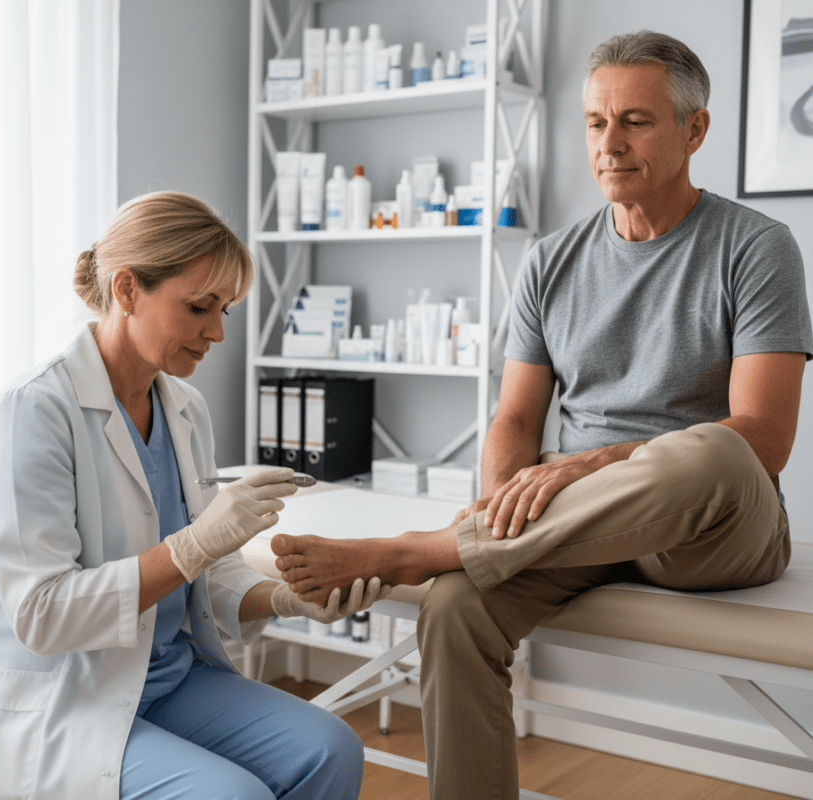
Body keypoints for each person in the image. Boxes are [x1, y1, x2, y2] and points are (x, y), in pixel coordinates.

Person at [269, 31, 813, 800]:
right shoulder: (550, 260)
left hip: (708, 523)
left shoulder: (756, 248)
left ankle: (415, 550)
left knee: (710, 453)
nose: (609, 144)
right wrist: (499, 504)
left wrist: (591, 463)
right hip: (580, 519)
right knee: (455, 608)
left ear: (694, 131)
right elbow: (516, 420)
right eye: (595, 122)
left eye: (635, 121)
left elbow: (763, 439)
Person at [0, 191, 390, 800]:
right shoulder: (33, 412)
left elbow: (209, 575)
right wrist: (192, 545)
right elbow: (42, 613)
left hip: (165, 679)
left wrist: (286, 600)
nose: (217, 332)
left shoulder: (184, 409)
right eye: (199, 307)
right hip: (60, 697)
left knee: (331, 749)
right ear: (126, 290)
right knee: (232, 796)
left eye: (224, 309)